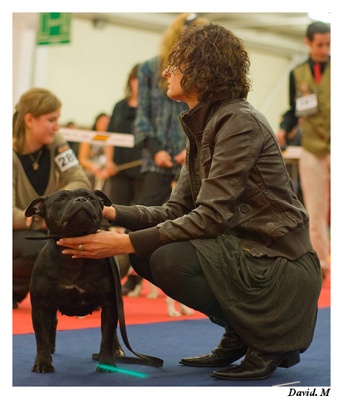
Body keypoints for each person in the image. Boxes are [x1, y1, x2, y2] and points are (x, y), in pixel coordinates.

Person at [57, 24, 322, 381]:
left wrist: (121, 241)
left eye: (175, 64)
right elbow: (175, 212)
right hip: (249, 252)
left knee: (166, 257)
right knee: (146, 251)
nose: (165, 72)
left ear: (201, 70)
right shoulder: (207, 123)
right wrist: (109, 211)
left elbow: (210, 217)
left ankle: (267, 341)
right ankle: (240, 334)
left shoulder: (238, 121)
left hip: (279, 261)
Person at [121, 13, 208, 294]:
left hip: (192, 156)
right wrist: (156, 150)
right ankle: (134, 274)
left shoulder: (205, 71)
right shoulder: (149, 69)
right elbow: (142, 119)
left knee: (195, 217)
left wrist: (192, 149)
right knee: (145, 214)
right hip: (155, 159)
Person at [13, 87, 91, 309]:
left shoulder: (56, 141)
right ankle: (12, 290)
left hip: (41, 227)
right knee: (41, 251)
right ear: (29, 120)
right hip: (16, 233)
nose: (57, 126)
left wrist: (60, 201)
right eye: (51, 120)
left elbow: (79, 178)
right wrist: (44, 215)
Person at [275, 21, 330, 281]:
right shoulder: (297, 74)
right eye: (320, 44)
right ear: (308, 43)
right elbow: (294, 110)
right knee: (315, 210)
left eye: (329, 44)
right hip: (312, 148)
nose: (325, 49)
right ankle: (321, 263)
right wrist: (284, 129)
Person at [102, 63, 144, 289]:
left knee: (138, 222)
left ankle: (136, 277)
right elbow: (109, 136)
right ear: (130, 81)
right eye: (136, 79)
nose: (138, 84)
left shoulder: (149, 109)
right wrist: (109, 161)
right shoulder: (119, 106)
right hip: (118, 170)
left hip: (142, 171)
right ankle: (112, 272)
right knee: (114, 218)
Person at [78, 112, 110, 190]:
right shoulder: (89, 136)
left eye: (107, 123)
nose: (104, 125)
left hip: (106, 176)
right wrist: (93, 166)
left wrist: (107, 169)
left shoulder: (111, 138)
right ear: (96, 122)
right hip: (90, 175)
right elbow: (82, 159)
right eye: (102, 122)